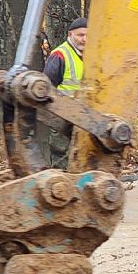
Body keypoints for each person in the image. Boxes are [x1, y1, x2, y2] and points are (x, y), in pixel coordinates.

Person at [39, 17, 88, 168]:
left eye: (88, 35)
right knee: (62, 158)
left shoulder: (91, 55)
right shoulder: (60, 55)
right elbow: (47, 87)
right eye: (80, 35)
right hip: (62, 117)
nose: (84, 39)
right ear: (70, 34)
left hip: (85, 117)